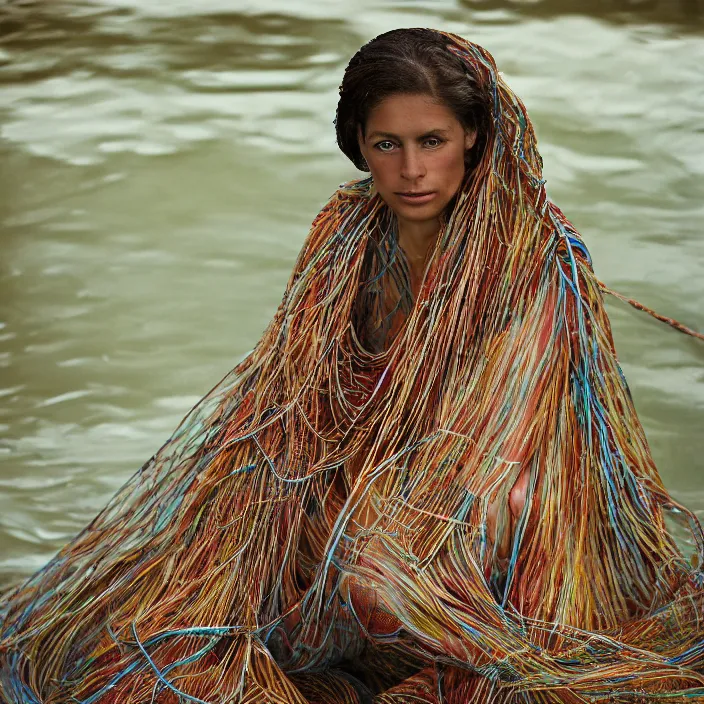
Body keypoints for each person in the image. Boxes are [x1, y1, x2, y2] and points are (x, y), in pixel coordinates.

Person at [1, 27, 703, 703]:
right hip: (371, 467)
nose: (412, 170)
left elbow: (503, 443)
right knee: (204, 571)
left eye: (433, 141)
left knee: (392, 569)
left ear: (474, 138)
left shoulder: (535, 259)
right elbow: (290, 395)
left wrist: (396, 539)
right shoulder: (345, 233)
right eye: (387, 144)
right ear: (360, 146)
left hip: (495, 487)